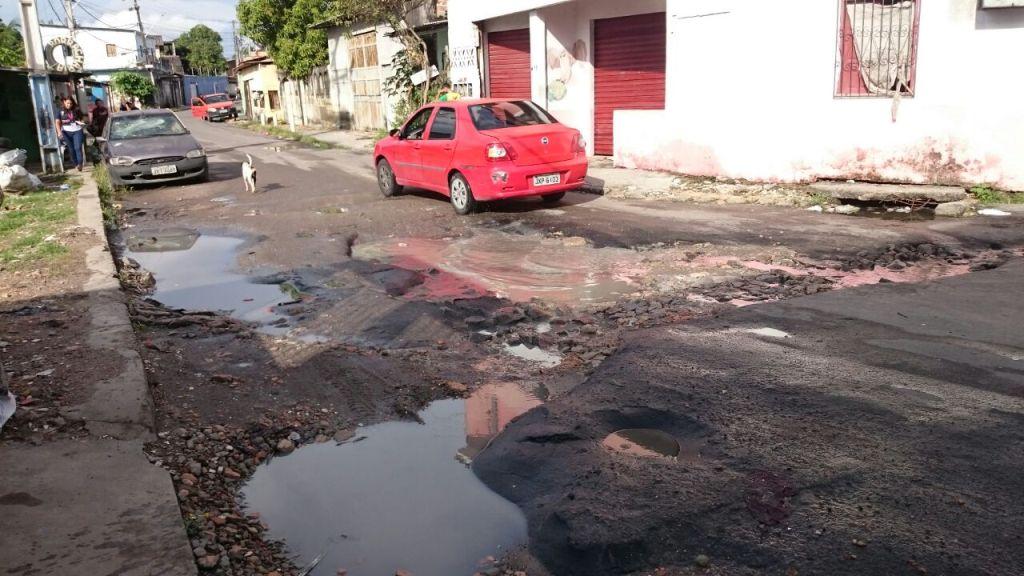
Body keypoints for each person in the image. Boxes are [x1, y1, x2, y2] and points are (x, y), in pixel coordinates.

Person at [56, 96, 86, 172]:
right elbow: (57, 122)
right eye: (67, 103)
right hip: (66, 132)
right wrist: (59, 132)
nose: (69, 105)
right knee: (71, 149)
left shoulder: (76, 110)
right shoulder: (60, 111)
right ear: (64, 103)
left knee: (78, 148)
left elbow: (83, 119)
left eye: (71, 103)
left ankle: (80, 164)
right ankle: (76, 164)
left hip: (77, 130)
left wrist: (82, 122)